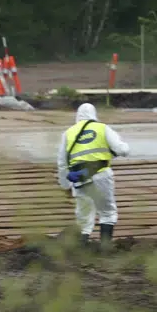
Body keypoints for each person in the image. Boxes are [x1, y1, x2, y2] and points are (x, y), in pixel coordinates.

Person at [56, 103, 131, 246]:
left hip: (79, 179)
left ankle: (83, 248)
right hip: (101, 175)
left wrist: (65, 185)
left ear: (77, 116)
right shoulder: (102, 128)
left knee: (84, 217)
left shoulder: (68, 133)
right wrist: (123, 149)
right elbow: (122, 150)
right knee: (107, 212)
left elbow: (62, 162)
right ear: (94, 114)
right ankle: (105, 247)